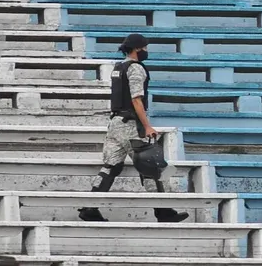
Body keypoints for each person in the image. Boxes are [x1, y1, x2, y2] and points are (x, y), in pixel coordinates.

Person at [79, 33, 188, 223]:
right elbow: (136, 99)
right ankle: (164, 211)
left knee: (111, 166)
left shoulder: (118, 67)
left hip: (115, 124)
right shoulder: (136, 68)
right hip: (130, 125)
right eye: (144, 47)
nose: (146, 50)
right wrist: (147, 126)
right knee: (150, 165)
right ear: (137, 48)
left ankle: (90, 207)